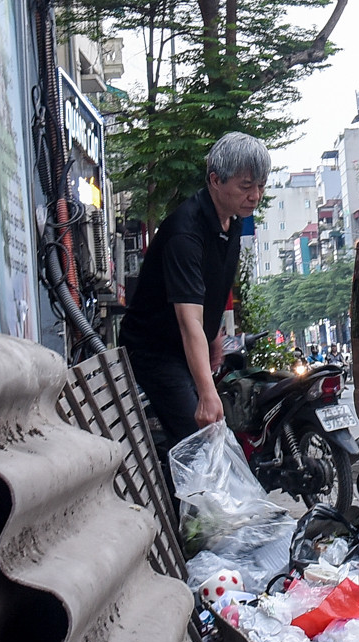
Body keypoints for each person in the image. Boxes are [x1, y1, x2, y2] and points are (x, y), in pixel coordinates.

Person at [120, 132, 270, 445]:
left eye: (261, 185)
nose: (255, 195)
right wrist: (206, 392)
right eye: (246, 186)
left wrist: (214, 336)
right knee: (201, 438)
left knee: (211, 433)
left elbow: (211, 288)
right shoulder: (185, 234)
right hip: (155, 350)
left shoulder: (232, 220)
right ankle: (179, 494)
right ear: (215, 180)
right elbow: (189, 322)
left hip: (188, 346)